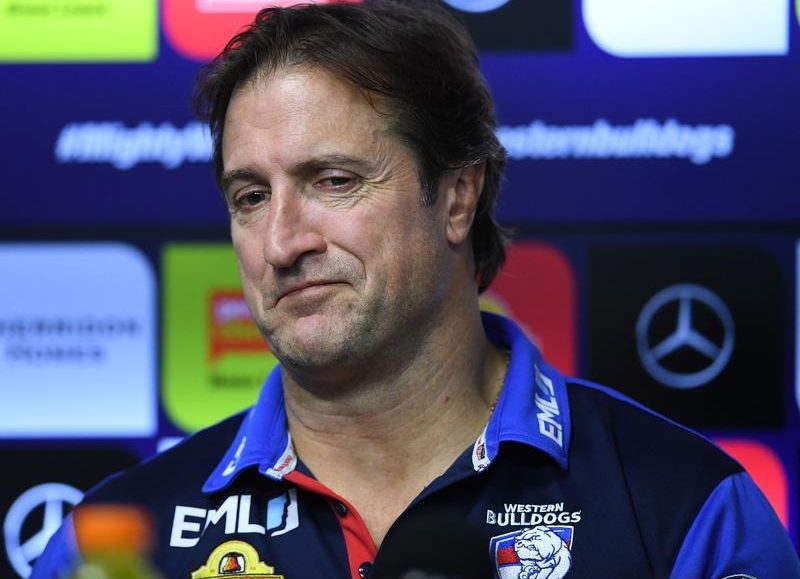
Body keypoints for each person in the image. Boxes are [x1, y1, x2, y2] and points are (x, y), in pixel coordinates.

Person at [33, 1, 799, 578]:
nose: (282, 243)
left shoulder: (687, 509)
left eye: (333, 181)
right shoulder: (109, 542)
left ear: (458, 197)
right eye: (251, 197)